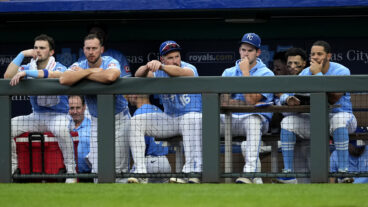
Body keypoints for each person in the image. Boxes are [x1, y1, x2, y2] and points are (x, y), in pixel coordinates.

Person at [276, 40, 357, 184]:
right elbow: (288, 93)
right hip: (315, 119)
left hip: (342, 117)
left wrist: (318, 74)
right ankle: (288, 174)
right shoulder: (305, 73)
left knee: (338, 121)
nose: (315, 57)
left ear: (329, 56)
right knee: (287, 122)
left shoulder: (341, 70)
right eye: (313, 54)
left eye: (319, 54)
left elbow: (333, 98)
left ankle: (344, 172)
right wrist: (288, 98)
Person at [4, 34, 77, 183]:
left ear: (51, 52)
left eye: (42, 48)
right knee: (7, 127)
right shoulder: (28, 66)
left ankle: (71, 172)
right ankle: (12, 169)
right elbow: (7, 76)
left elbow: (56, 75)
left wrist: (27, 73)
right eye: (35, 47)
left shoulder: (59, 66)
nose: (38, 51)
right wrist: (22, 54)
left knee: (60, 128)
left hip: (59, 116)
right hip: (36, 116)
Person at [59, 34, 131, 182]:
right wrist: (90, 72)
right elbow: (64, 79)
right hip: (96, 121)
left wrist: (82, 75)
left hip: (119, 119)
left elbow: (111, 76)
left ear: (101, 49)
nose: (91, 52)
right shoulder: (80, 64)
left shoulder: (110, 61)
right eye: (88, 48)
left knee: (120, 169)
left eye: (94, 48)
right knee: (97, 166)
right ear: (83, 50)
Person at [132, 40, 202, 184]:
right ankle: (140, 171)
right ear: (162, 58)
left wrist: (163, 67)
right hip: (170, 119)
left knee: (190, 119)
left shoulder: (189, 68)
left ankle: (190, 172)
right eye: (170, 58)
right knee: (136, 121)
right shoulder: (159, 72)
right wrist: (147, 67)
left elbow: (181, 72)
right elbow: (138, 75)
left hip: (192, 118)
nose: (175, 60)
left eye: (177, 56)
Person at [220, 33, 274, 184]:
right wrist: (245, 104)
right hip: (230, 118)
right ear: (239, 50)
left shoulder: (266, 74)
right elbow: (224, 102)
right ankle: (197, 171)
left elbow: (251, 101)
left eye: (250, 50)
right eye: (243, 49)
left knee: (253, 120)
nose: (246, 53)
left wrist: (245, 73)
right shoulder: (228, 72)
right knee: (201, 122)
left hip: (255, 121)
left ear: (258, 52)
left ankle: (249, 173)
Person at [126, 94, 172, 183]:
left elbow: (141, 144)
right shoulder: (159, 111)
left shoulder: (139, 113)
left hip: (148, 162)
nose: (128, 96)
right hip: (165, 162)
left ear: (135, 96)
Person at [68, 95, 92, 179]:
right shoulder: (63, 126)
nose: (75, 111)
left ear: (84, 107)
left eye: (78, 108)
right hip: (66, 175)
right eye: (71, 108)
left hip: (88, 176)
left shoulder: (93, 127)